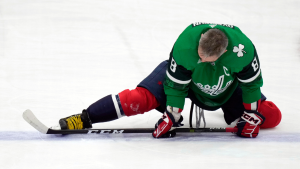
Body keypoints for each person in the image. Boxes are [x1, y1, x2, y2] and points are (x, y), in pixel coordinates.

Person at [56, 22, 282, 138]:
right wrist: (172, 115)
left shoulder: (243, 50)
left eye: (206, 59)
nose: (199, 60)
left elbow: (251, 84)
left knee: (272, 116)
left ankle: (240, 113)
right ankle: (85, 117)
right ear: (201, 40)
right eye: (198, 56)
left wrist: (252, 116)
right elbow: (175, 84)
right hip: (189, 84)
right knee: (139, 98)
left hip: (228, 87)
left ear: (224, 53)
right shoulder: (186, 45)